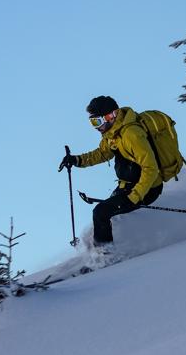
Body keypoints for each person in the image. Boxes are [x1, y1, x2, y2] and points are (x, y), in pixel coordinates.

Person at [58, 95, 163, 248]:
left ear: (110, 116)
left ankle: (105, 257)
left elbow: (151, 168)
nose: (96, 127)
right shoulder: (112, 134)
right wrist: (76, 160)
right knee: (104, 214)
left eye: (97, 121)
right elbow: (102, 153)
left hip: (147, 188)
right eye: (92, 122)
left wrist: (135, 196)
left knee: (100, 213)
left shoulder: (131, 134)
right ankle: (105, 250)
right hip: (127, 186)